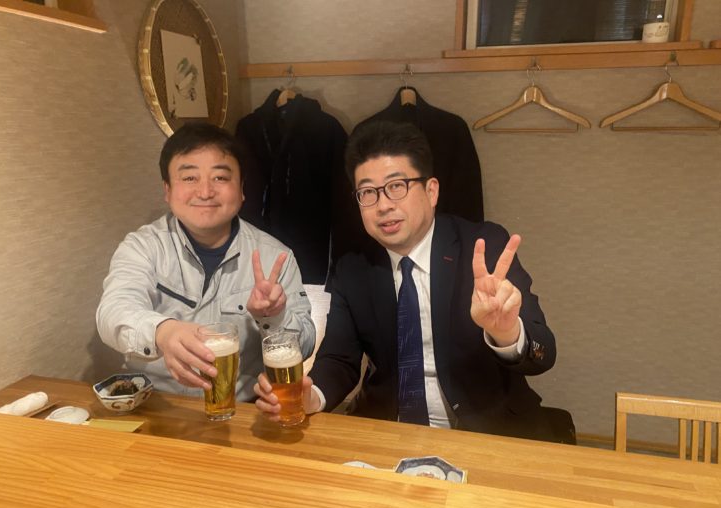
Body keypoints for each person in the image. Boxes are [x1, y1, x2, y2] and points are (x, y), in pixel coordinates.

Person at [255, 120, 573, 442]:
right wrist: (310, 397)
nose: (383, 205)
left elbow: (543, 352)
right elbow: (340, 359)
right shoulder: (353, 268)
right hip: (390, 431)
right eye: (368, 192)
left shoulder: (483, 246)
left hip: (488, 432)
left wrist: (506, 333)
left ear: (431, 191)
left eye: (397, 186)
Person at [96, 122, 315, 400]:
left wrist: (274, 316)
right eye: (189, 178)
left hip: (240, 408)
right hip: (156, 404)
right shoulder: (143, 246)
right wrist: (164, 331)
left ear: (241, 189)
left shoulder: (275, 256)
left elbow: (305, 346)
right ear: (167, 190)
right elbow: (112, 312)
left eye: (220, 178)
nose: (205, 192)